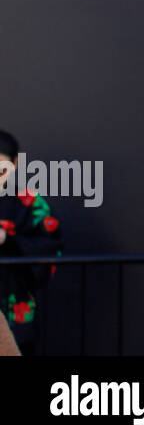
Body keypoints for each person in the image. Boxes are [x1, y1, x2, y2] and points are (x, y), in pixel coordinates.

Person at [0, 130, 64, 357]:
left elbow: (50, 246)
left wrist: (8, 239)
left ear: (14, 163)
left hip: (15, 307)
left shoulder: (29, 202)